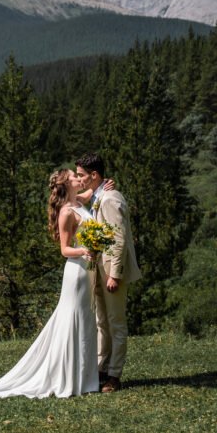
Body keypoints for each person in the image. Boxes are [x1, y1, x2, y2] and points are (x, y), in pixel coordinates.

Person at [0, 169, 99, 399]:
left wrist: (104, 184)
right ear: (67, 184)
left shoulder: (78, 201)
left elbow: (90, 191)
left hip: (86, 269)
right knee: (72, 320)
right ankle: (68, 378)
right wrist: (84, 250)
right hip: (76, 271)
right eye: (74, 176)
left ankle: (85, 378)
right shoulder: (67, 212)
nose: (79, 179)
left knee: (85, 319)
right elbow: (64, 249)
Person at [75, 152, 141, 394]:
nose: (79, 179)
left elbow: (119, 240)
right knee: (102, 322)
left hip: (111, 270)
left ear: (94, 175)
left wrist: (115, 274)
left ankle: (115, 374)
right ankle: (102, 368)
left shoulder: (111, 199)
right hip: (97, 269)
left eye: (82, 175)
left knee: (116, 322)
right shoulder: (98, 195)